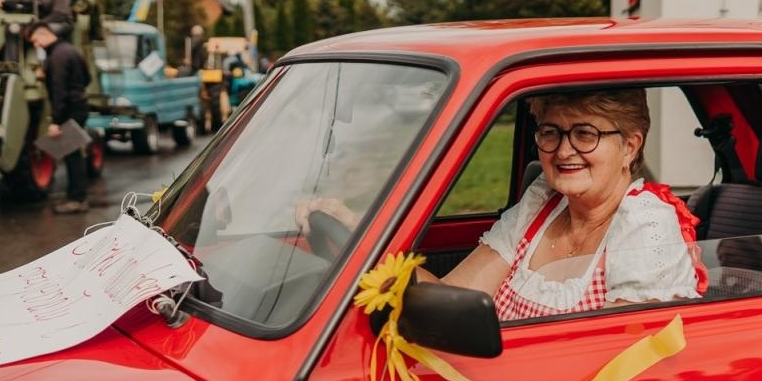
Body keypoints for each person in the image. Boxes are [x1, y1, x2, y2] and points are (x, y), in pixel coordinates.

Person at [301, 88, 705, 319]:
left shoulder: (646, 222)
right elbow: (450, 296)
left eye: (585, 134)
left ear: (630, 146)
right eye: (551, 132)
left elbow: (625, 360)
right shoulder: (542, 205)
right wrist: (361, 234)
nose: (564, 151)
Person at [26, 21, 93, 214]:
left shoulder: (56, 57)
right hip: (79, 106)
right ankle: (77, 197)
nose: (36, 45)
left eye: (36, 40)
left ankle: (77, 200)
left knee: (72, 156)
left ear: (45, 34)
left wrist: (56, 121)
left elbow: (59, 92)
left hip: (69, 110)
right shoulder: (71, 50)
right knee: (75, 153)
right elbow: (87, 78)